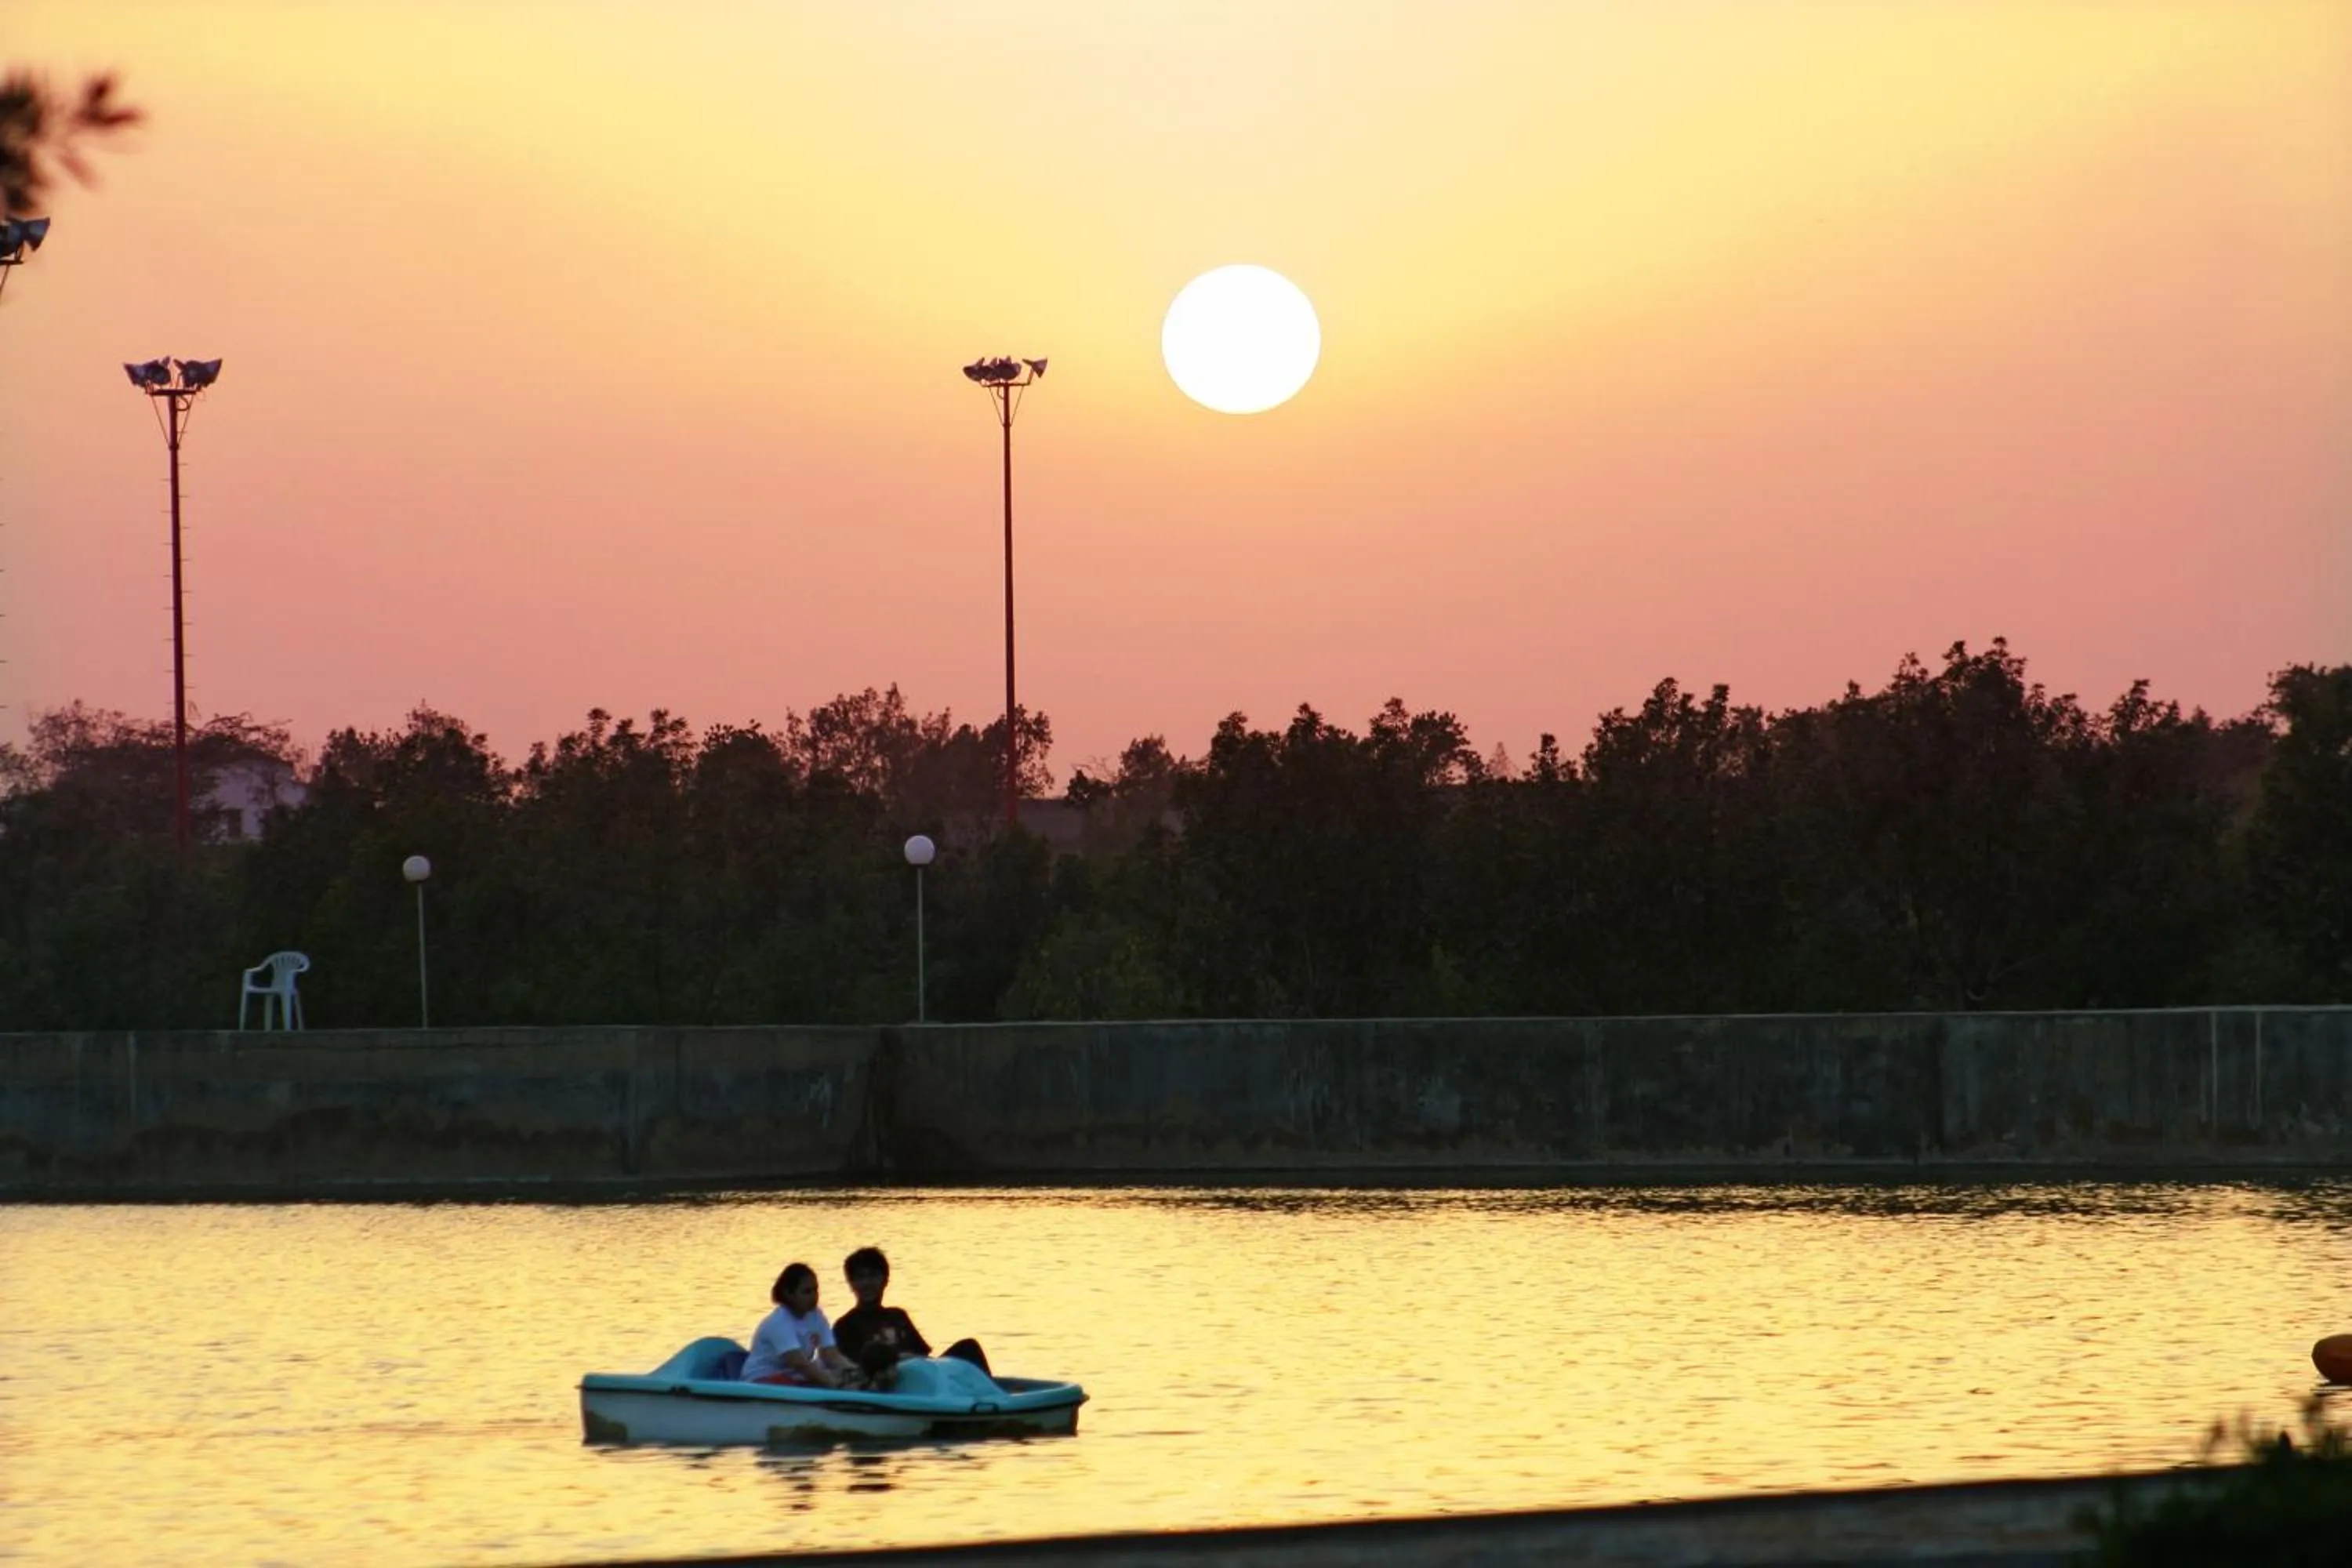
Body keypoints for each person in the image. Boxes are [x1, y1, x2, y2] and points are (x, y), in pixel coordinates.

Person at [833, 1246, 992, 1374]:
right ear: (851, 1283)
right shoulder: (845, 1325)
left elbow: (924, 1356)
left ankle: (993, 1395)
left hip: (921, 1374)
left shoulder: (898, 1315)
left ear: (885, 1279)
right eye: (861, 1277)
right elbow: (857, 1368)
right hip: (891, 1381)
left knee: (969, 1347)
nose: (868, 1283)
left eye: (874, 1276)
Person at [742, 1261, 863, 1387]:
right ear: (788, 1294)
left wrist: (857, 1373)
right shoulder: (779, 1323)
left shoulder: (817, 1316)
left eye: (816, 1290)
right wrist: (834, 1384)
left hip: (792, 1377)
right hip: (761, 1378)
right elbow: (799, 1364)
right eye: (807, 1292)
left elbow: (831, 1355)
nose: (814, 1296)